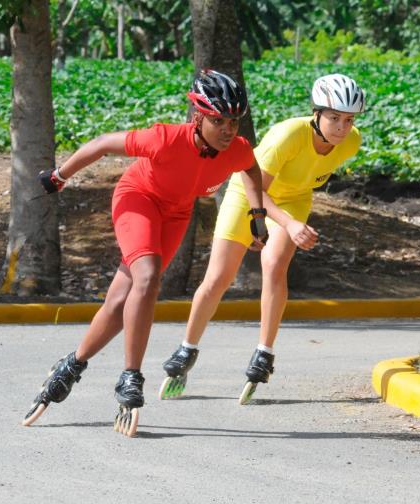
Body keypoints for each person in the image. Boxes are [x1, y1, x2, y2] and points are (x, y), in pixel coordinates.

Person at [21, 69, 268, 436]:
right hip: (138, 199)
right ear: (198, 116)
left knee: (120, 304)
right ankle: (130, 377)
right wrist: (60, 174)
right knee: (148, 277)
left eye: (234, 121)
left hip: (176, 213)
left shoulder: (237, 150)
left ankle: (71, 365)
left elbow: (250, 170)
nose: (228, 130)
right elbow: (104, 143)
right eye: (218, 121)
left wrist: (257, 215)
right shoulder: (165, 139)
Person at [158, 74, 365, 404]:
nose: (342, 127)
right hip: (248, 194)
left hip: (294, 199)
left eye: (349, 119)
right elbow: (256, 186)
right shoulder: (287, 136)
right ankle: (187, 349)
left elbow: (307, 178)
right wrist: (273, 223)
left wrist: (287, 222)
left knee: (274, 265)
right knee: (219, 278)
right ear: (317, 113)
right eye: (334, 118)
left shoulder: (351, 142)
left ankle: (264, 352)